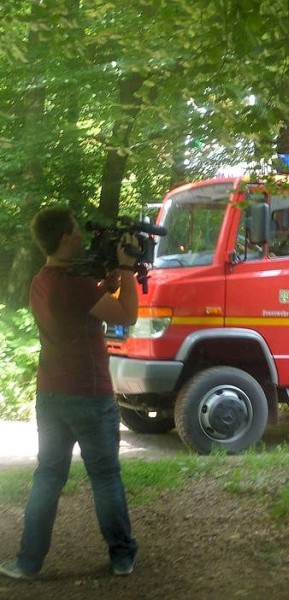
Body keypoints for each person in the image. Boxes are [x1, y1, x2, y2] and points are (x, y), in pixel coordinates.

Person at [0, 207, 140, 581]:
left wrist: (107, 284)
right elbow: (127, 315)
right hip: (89, 393)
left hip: (50, 394)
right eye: (75, 231)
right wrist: (127, 271)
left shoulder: (41, 281)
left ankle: (27, 563)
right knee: (106, 476)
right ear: (64, 237)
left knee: (47, 476)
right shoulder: (77, 286)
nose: (80, 236)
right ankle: (122, 556)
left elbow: (85, 308)